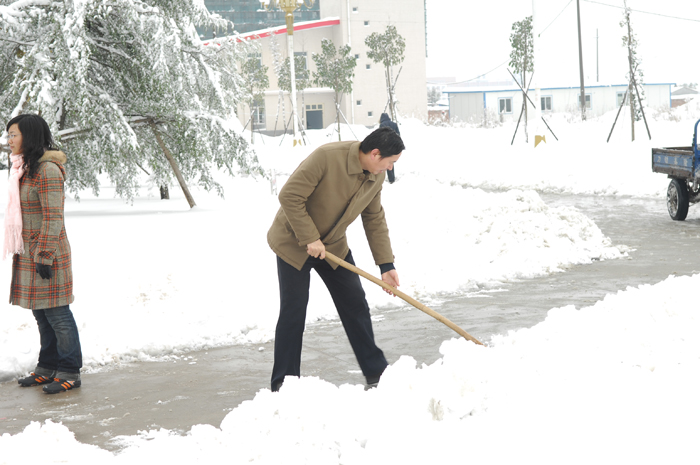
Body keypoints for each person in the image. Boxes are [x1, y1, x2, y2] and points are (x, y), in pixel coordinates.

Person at [267, 127, 404, 392]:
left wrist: (386, 265)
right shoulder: (327, 157)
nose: (390, 169)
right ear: (375, 154)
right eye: (390, 162)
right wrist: (310, 237)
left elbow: (374, 218)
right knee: (294, 311)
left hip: (332, 247)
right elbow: (289, 196)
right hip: (294, 242)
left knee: (355, 304)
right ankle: (284, 383)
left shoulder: (374, 177)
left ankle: (376, 371)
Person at [5, 114, 82, 394]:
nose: (9, 140)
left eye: (13, 134)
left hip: (48, 252)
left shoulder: (47, 170)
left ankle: (70, 371)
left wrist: (45, 254)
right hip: (31, 252)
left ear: (30, 136)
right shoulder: (25, 168)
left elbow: (53, 216)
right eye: (8, 135)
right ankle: (48, 367)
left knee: (58, 314)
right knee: (41, 314)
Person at [379, 113, 400, 184]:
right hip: (394, 145)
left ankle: (383, 178)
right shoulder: (394, 124)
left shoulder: (382, 125)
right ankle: (392, 178)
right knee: (391, 161)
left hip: (386, 146)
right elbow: (398, 134)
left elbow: (380, 136)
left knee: (385, 161)